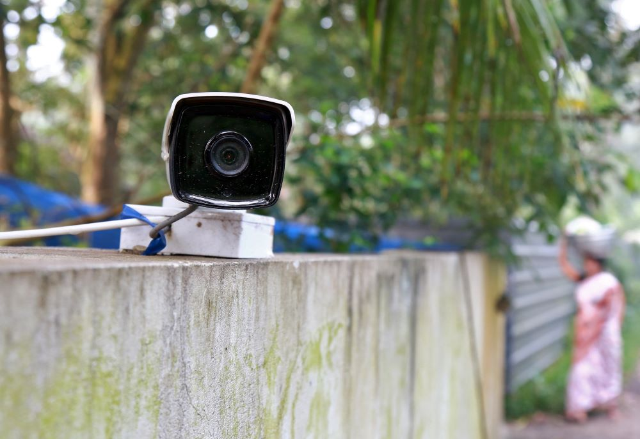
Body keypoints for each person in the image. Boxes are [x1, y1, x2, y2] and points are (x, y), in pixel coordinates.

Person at [558, 236, 626, 423]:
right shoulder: (584, 281)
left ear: (597, 264)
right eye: (585, 262)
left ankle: (609, 403)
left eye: (589, 262)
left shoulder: (607, 282)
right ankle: (579, 407)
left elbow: (616, 305)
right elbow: (564, 265)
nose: (586, 266)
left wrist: (609, 326)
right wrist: (564, 241)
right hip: (585, 334)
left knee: (608, 366)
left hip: (603, 332)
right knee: (582, 368)